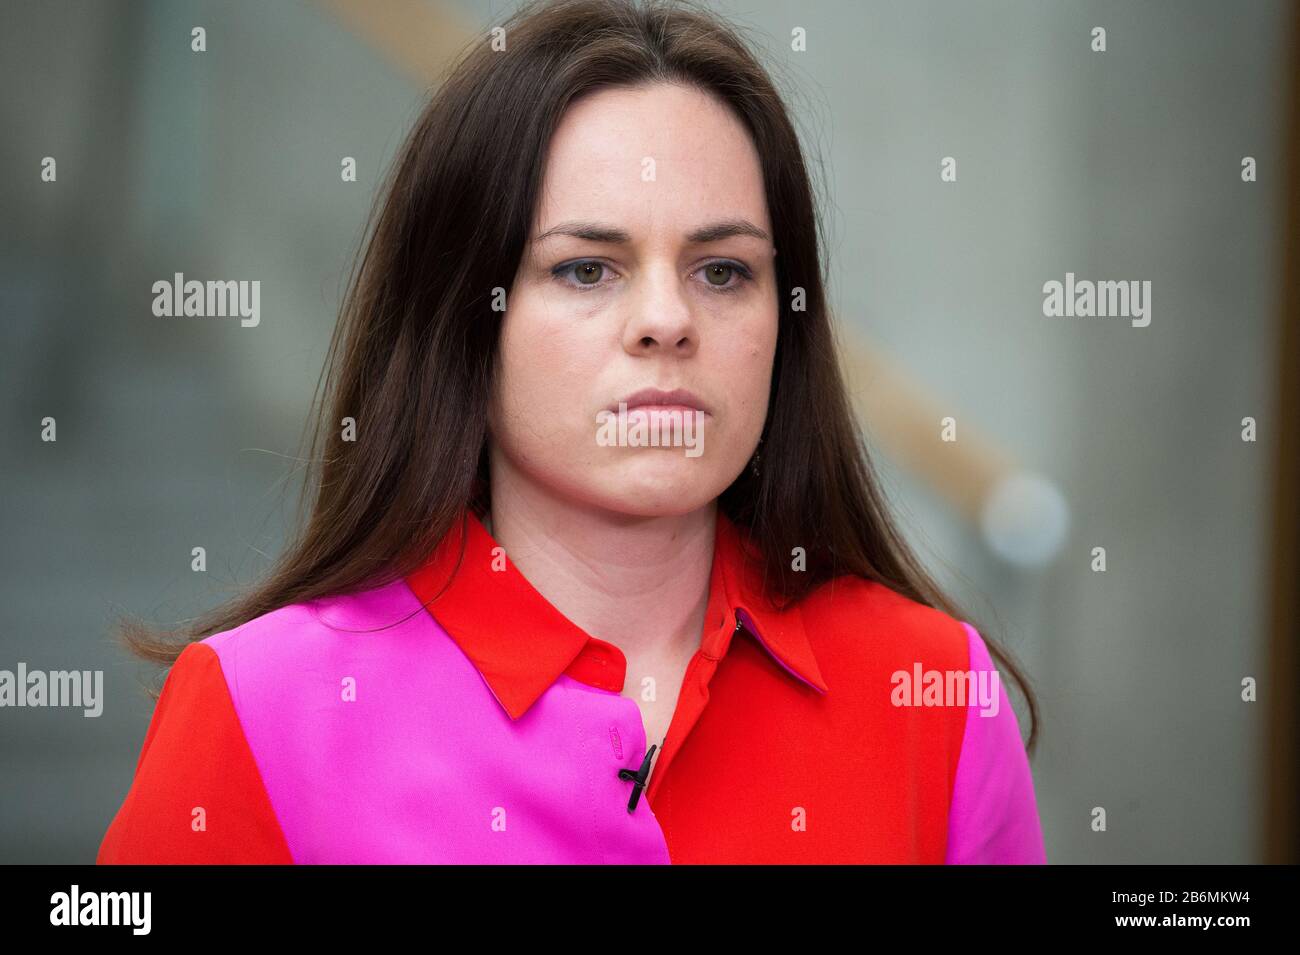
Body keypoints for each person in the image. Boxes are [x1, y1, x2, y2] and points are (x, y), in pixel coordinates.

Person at [97, 0, 1045, 864]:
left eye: (724, 271)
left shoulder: (935, 693)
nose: (668, 319)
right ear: (469, 314)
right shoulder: (261, 711)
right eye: (588, 269)